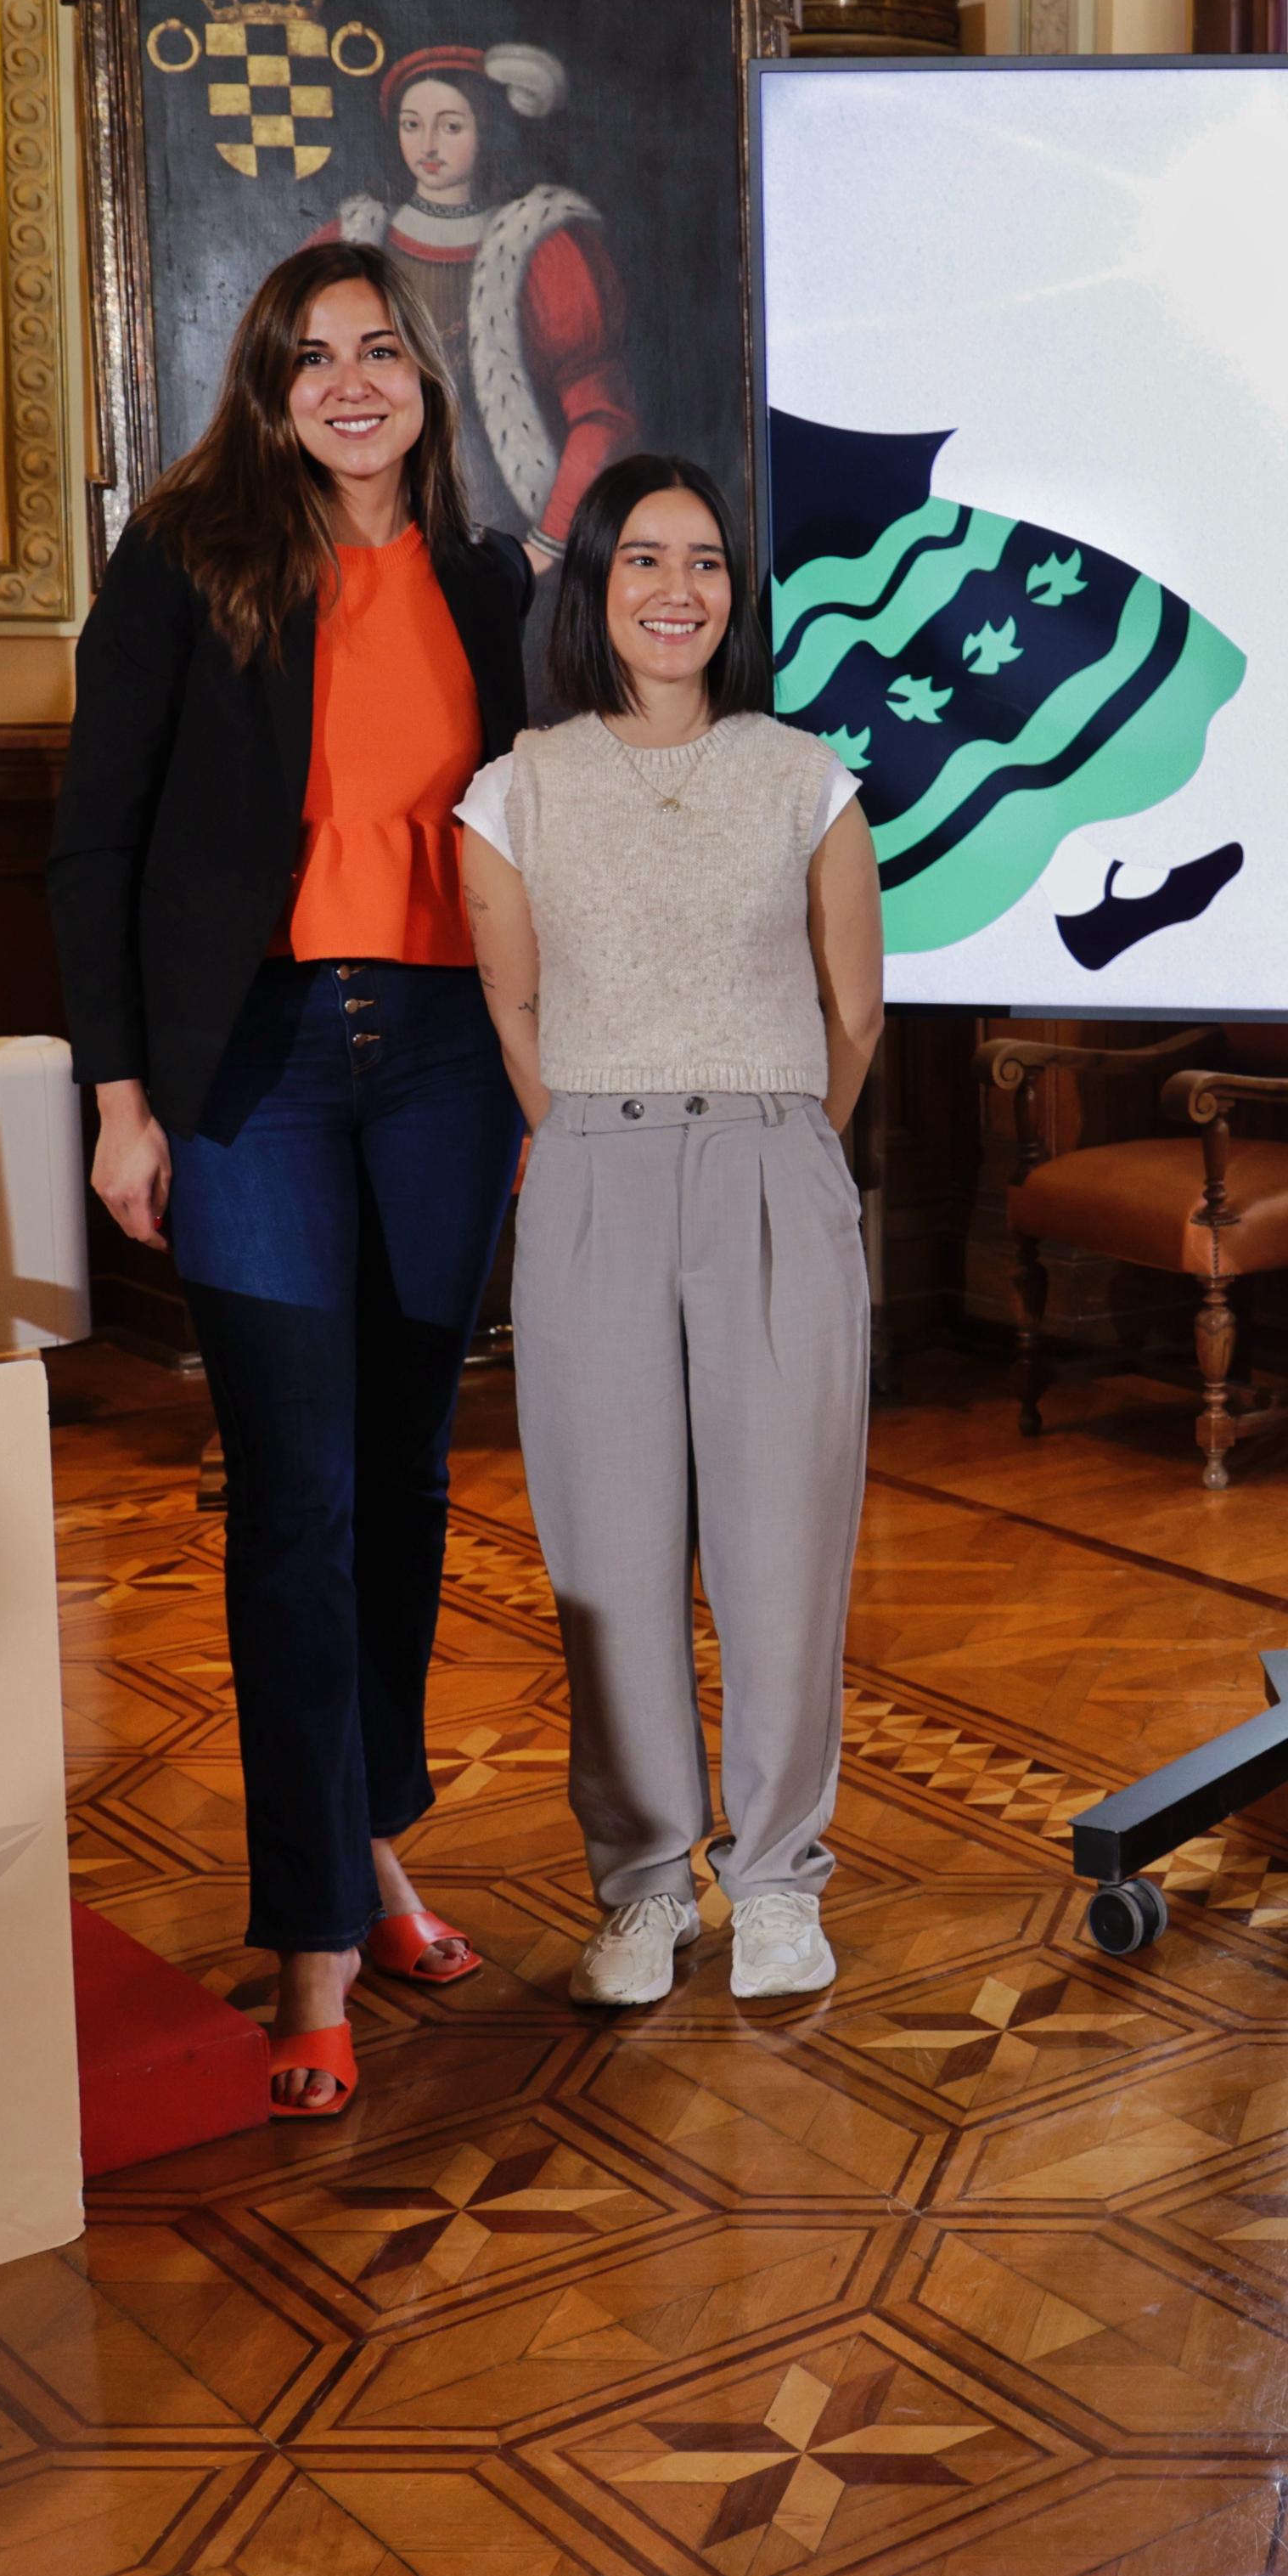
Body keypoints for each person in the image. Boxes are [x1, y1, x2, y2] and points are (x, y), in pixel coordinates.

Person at [48, 243, 535, 2121]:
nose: (352, 380)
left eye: (381, 349)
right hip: (252, 1063)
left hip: (443, 1063)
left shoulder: (489, 580)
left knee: (406, 1477)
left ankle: (373, 1838)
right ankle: (314, 1936)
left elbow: (541, 830)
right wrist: (121, 1102)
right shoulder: (188, 561)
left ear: (425, 378)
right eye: (311, 355)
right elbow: (96, 845)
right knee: (297, 1495)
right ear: (267, 387)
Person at [456, 456, 886, 2008]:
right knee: (612, 1555)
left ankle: (775, 1880)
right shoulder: (515, 789)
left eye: (704, 561)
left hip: (775, 1167)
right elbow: (516, 1010)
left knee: (783, 1551)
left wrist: (775, 1147)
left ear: (733, 594)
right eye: (644, 558)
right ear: (596, 585)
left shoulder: (806, 777)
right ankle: (644, 1889)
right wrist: (599, 1141)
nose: (677, 589)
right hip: (591, 1172)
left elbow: (853, 1012)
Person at [330, 42, 638, 570]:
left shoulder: (540, 246)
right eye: (411, 125)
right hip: (369, 539)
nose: (428, 145)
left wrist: (546, 545)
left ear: (487, 130)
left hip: (507, 536)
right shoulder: (352, 241)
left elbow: (602, 416)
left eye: (451, 126)